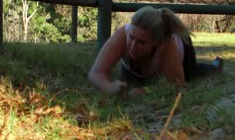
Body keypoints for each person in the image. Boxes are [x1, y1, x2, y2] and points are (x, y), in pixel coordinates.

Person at [88, 6, 223, 95]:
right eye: (131, 37)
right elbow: (96, 72)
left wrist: (146, 91)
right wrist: (107, 87)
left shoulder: (167, 46)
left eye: (141, 42)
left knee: (193, 74)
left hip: (183, 47)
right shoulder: (122, 35)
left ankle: (215, 65)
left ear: (157, 42)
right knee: (130, 80)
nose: (133, 46)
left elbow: (179, 87)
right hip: (143, 68)